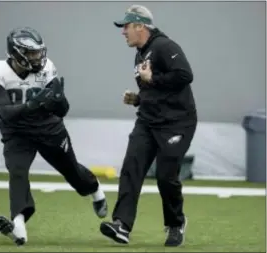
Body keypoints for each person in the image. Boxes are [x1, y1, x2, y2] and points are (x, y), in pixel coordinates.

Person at [0, 27, 108, 246]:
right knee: (17, 172)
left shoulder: (47, 68)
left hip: (47, 128)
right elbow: (4, 112)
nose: (37, 58)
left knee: (72, 172)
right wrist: (34, 104)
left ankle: (94, 189)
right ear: (17, 53)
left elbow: (63, 110)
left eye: (38, 52)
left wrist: (58, 99)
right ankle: (19, 224)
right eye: (31, 53)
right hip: (17, 133)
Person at [99, 5, 197, 247]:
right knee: (131, 168)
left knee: (166, 176)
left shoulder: (165, 46)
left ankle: (175, 223)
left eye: (126, 26)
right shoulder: (141, 53)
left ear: (140, 26)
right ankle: (122, 225)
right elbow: (156, 91)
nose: (123, 32)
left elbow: (185, 75)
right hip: (148, 120)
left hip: (177, 122)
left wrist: (152, 79)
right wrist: (138, 99)